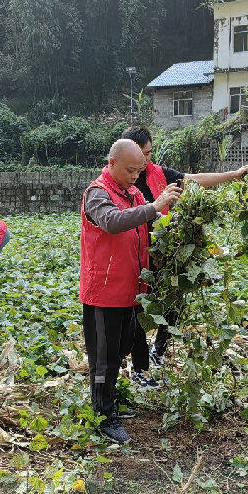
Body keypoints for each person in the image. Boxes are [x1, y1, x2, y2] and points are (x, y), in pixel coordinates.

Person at [121, 125, 248, 385]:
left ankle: (158, 350)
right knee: (137, 310)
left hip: (166, 253)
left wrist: (234, 175)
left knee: (174, 300)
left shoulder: (159, 174)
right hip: (136, 256)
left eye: (148, 154)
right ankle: (140, 365)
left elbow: (195, 179)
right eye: (143, 154)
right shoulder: (122, 183)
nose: (147, 160)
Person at [80, 139, 181, 443]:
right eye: (130, 170)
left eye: (139, 170)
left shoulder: (134, 193)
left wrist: (179, 223)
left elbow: (153, 226)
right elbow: (112, 223)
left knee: (121, 348)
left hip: (132, 289)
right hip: (104, 292)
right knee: (104, 357)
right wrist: (155, 206)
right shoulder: (97, 194)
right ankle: (103, 415)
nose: (136, 175)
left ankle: (108, 401)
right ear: (111, 163)